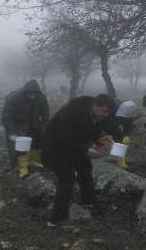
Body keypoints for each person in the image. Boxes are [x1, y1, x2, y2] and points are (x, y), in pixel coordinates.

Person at [41, 94, 116, 227]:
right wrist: (86, 151)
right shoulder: (71, 113)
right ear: (95, 105)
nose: (105, 115)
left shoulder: (94, 113)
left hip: (74, 146)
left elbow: (94, 128)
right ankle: (56, 219)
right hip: (55, 148)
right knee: (67, 178)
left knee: (85, 168)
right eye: (104, 111)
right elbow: (64, 139)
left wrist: (101, 138)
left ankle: (89, 201)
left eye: (108, 112)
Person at [2, 79, 49, 178]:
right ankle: (21, 167)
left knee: (34, 143)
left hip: (34, 124)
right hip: (18, 125)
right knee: (19, 146)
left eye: (34, 94)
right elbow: (7, 117)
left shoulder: (41, 97)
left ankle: (30, 161)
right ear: (25, 91)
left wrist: (45, 127)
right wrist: (12, 133)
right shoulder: (13, 97)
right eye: (30, 94)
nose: (32, 96)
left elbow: (45, 114)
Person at [105, 100, 141, 169]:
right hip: (105, 124)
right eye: (121, 118)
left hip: (112, 124)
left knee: (121, 139)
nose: (121, 120)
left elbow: (128, 126)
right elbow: (104, 126)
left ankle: (119, 160)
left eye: (124, 119)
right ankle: (114, 157)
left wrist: (126, 136)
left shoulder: (129, 114)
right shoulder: (110, 110)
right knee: (111, 137)